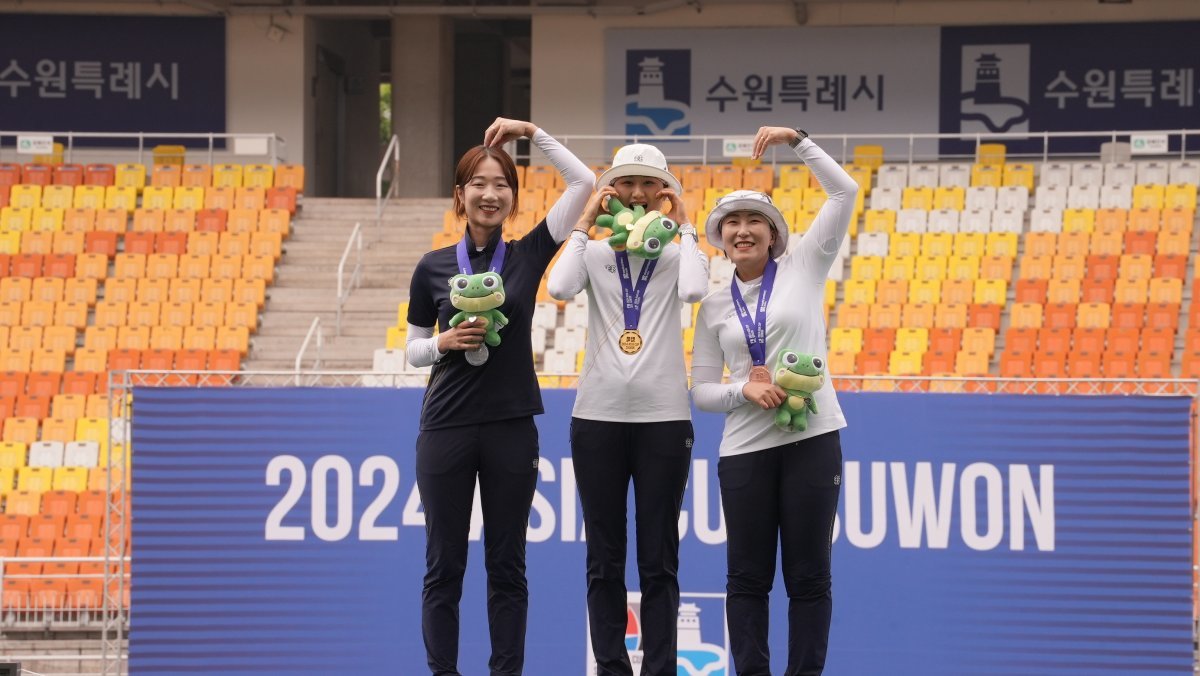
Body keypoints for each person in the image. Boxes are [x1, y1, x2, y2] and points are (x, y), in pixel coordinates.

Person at [405, 117, 594, 676]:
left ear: (513, 196)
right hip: (445, 428)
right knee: (444, 565)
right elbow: (411, 353)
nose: (491, 194)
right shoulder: (432, 266)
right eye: (479, 184)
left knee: (507, 564)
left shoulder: (529, 253)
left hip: (513, 426)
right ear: (460, 196)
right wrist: (444, 341)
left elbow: (584, 182)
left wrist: (532, 133)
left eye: (502, 184)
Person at [689, 126, 857, 676]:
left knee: (810, 576)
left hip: (812, 439)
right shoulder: (713, 307)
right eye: (731, 223)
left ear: (773, 233)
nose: (742, 231)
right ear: (719, 236)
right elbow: (702, 391)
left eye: (754, 220)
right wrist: (745, 389)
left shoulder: (806, 267)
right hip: (744, 451)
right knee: (747, 579)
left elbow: (844, 194)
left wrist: (799, 142)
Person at [546, 144, 708, 676]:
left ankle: (660, 669)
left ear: (664, 191)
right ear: (612, 190)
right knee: (604, 557)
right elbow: (560, 287)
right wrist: (586, 220)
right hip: (597, 417)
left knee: (659, 558)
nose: (637, 195)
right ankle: (612, 667)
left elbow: (693, 289)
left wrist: (684, 225)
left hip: (664, 418)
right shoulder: (593, 252)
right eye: (627, 184)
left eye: (649, 184)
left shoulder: (675, 253)